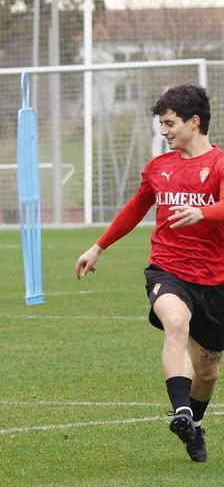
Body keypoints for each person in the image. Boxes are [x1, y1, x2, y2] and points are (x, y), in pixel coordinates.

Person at [76, 84, 224, 463]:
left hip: (214, 281)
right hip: (167, 270)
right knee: (174, 322)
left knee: (208, 372)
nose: (164, 131)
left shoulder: (219, 164)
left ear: (194, 122)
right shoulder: (159, 167)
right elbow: (134, 208)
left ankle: (194, 425)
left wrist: (203, 212)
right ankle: (181, 411)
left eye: (170, 123)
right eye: (161, 123)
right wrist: (99, 246)